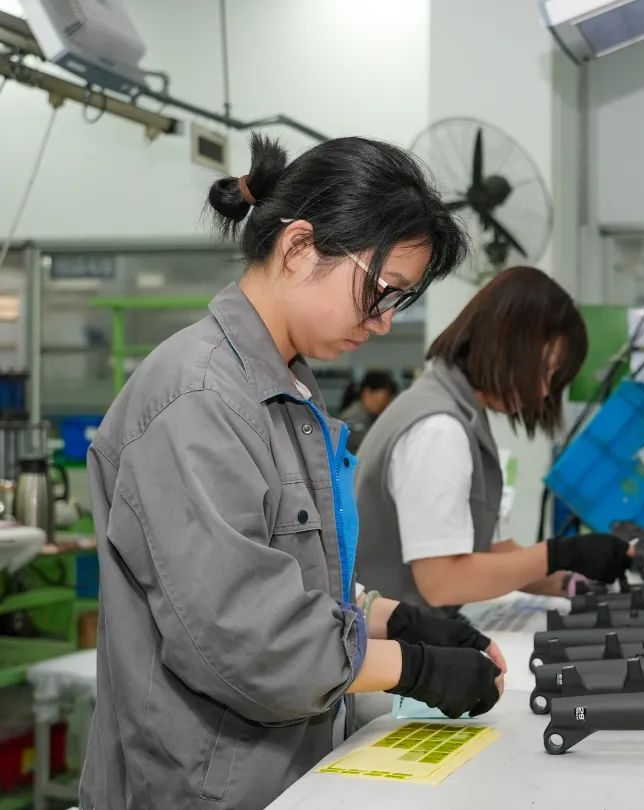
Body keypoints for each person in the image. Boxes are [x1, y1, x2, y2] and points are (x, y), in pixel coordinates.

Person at [81, 135, 508, 810]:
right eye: (382, 291)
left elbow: (295, 576)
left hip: (286, 776)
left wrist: (398, 620)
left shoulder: (286, 395)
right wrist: (415, 668)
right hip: (200, 791)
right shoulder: (200, 400)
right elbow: (252, 641)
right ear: (300, 247)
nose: (383, 322)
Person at [355, 266, 633, 615]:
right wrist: (562, 553)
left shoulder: (460, 413)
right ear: (507, 344)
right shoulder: (438, 429)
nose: (544, 392)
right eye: (545, 371)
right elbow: (443, 582)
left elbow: (496, 554)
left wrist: (571, 581)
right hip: (389, 639)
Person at [339, 370, 400, 452]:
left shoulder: (370, 416)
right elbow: (372, 448)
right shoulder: (352, 419)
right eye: (386, 396)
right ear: (367, 393)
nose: (387, 403)